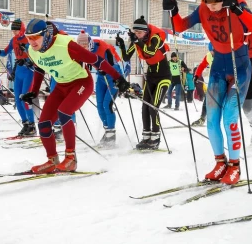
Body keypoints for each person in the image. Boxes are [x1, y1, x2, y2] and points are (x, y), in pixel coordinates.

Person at [166, 0, 252, 185]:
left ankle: (235, 166)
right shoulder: (203, 9)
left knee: (229, 117)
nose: (211, 6)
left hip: (240, 66)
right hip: (218, 66)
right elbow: (180, 26)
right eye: (207, 1)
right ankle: (220, 162)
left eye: (215, 2)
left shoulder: (235, 3)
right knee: (211, 119)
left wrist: (237, 9)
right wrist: (173, 11)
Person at [18, 19, 129, 173]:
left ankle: (71, 158)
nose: (32, 42)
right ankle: (52, 160)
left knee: (64, 112)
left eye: (36, 37)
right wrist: (34, 92)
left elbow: (96, 60)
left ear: (46, 34)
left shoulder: (65, 45)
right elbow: (39, 69)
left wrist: (118, 77)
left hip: (81, 83)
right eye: (29, 38)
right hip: (61, 85)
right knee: (43, 123)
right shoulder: (32, 50)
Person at [115, 16, 171, 150]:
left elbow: (150, 51)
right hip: (151, 77)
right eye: (135, 32)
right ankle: (146, 137)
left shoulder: (156, 37)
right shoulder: (137, 39)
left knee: (153, 107)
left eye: (139, 33)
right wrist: (122, 44)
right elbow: (127, 57)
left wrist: (137, 41)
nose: (137, 35)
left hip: (163, 77)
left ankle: (155, 137)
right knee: (145, 107)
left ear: (146, 31)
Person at [0, 19, 37, 136]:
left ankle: (32, 125)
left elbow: (37, 55)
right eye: (13, 31)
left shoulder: (29, 39)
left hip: (29, 71)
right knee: (17, 99)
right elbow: (5, 52)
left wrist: (26, 56)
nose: (14, 33)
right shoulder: (14, 40)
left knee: (25, 99)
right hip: (19, 72)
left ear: (22, 29)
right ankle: (25, 124)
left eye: (16, 30)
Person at [88, 34, 123, 147]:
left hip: (113, 76)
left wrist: (105, 68)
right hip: (101, 77)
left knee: (107, 104)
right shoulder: (84, 50)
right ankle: (107, 131)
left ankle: (111, 134)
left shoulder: (104, 48)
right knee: (99, 105)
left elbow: (112, 65)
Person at [191, 43, 214, 126]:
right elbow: (201, 66)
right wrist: (196, 75)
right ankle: (202, 118)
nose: (212, 53)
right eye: (211, 51)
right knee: (207, 99)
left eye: (214, 51)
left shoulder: (223, 55)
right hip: (213, 81)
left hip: (225, 80)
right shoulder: (209, 55)